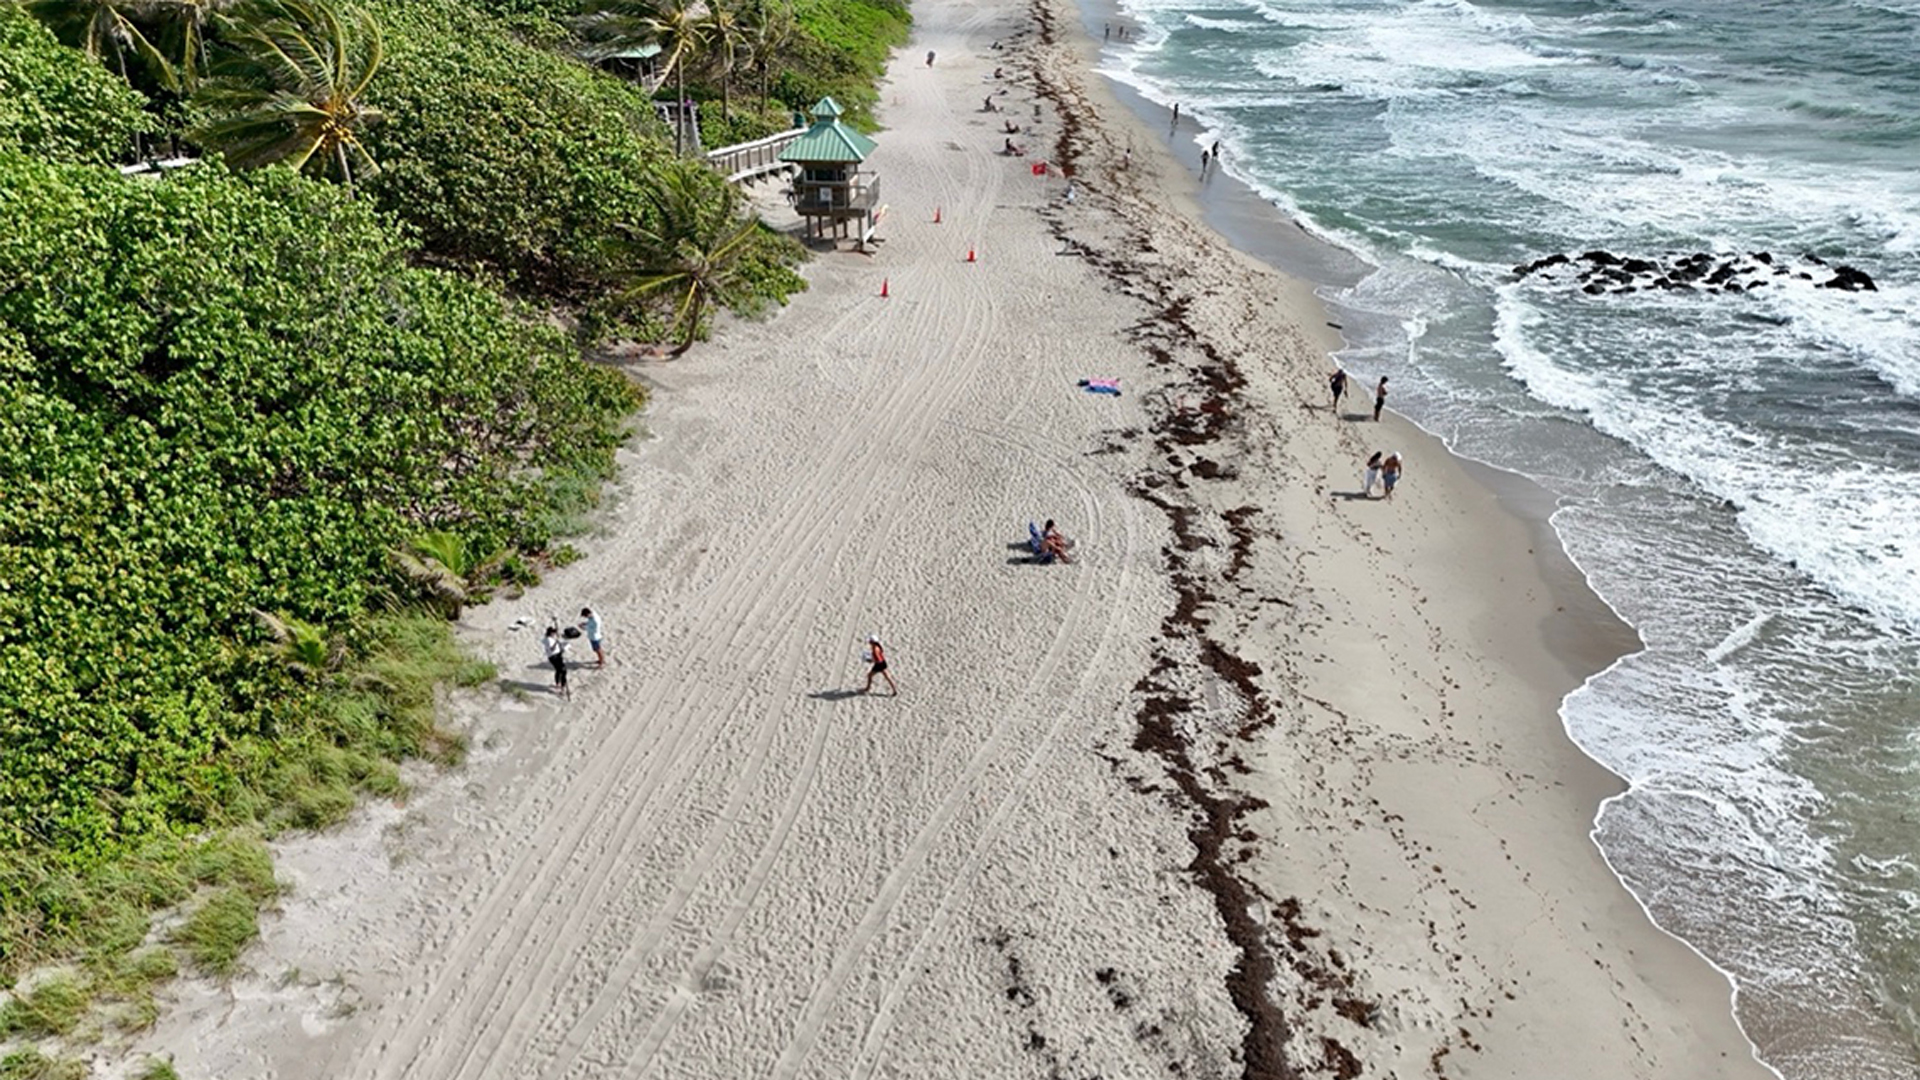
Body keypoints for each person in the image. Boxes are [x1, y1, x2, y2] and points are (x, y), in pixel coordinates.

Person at [543, 626, 569, 698]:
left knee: (559, 670)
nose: (554, 633)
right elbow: (552, 648)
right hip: (554, 657)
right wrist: (556, 642)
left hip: (557, 655)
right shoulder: (548, 640)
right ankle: (561, 687)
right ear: (550, 633)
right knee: (562, 670)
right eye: (553, 632)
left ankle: (559, 684)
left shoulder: (550, 638)